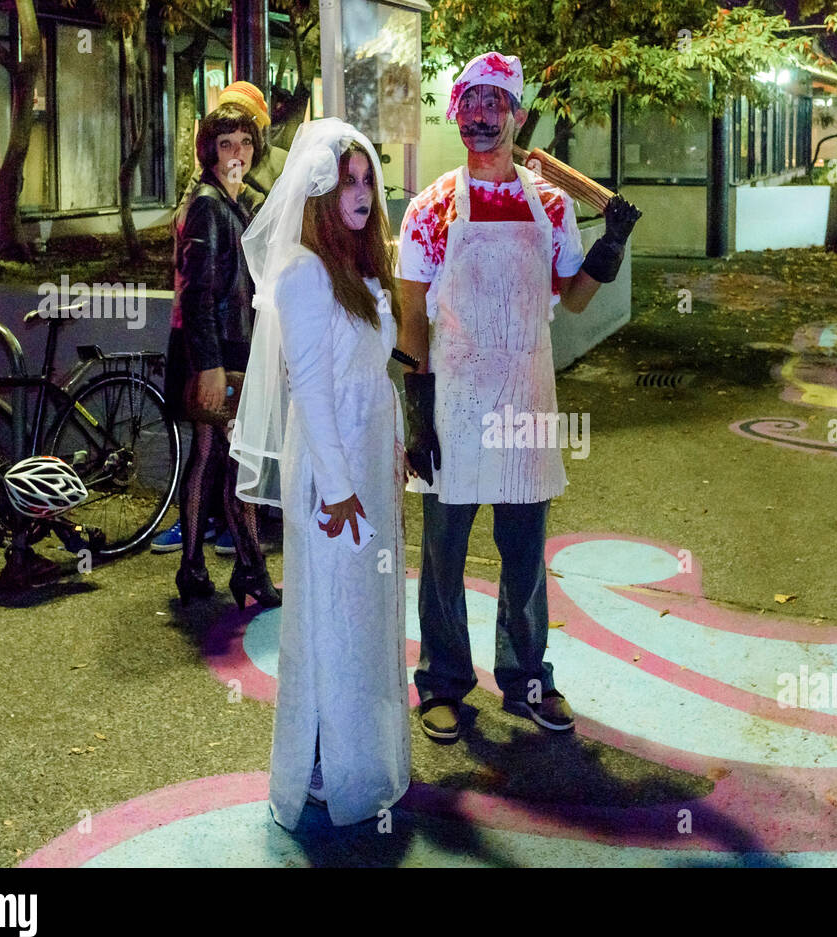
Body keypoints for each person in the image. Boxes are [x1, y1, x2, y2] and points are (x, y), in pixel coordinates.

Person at [396, 52, 641, 742]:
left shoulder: (555, 204)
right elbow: (413, 316)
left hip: (527, 396)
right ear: (457, 115)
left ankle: (528, 676)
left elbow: (574, 295)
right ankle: (443, 682)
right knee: (444, 551)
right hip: (455, 396)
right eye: (467, 104)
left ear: (514, 113)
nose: (478, 117)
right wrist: (417, 414)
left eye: (491, 104)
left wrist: (610, 248)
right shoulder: (430, 209)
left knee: (525, 550)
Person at [230, 118, 411, 828]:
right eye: (346, 183)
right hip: (332, 476)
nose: (361, 194)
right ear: (318, 194)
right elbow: (310, 386)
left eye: (367, 180)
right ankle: (321, 764)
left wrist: (391, 450)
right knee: (330, 616)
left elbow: (371, 374)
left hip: (366, 461)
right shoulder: (304, 273)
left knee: (362, 617)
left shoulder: (363, 269)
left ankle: (354, 758)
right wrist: (338, 491)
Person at [154, 81, 288, 554]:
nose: (238, 152)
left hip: (225, 345)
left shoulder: (233, 198)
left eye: (246, 141)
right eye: (227, 143)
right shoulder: (209, 204)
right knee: (227, 458)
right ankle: (246, 563)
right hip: (214, 350)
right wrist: (210, 366)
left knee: (214, 456)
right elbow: (197, 294)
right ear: (210, 149)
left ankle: (197, 562)